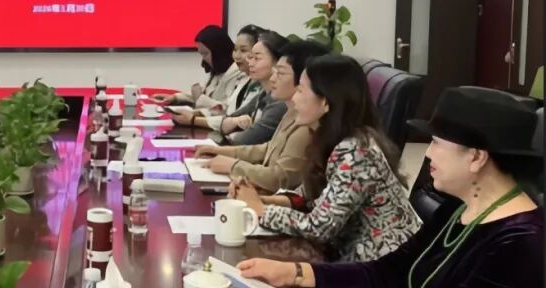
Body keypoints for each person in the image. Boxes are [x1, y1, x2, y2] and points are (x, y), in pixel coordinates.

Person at [239, 87, 543, 288]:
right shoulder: (459, 207)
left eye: (436, 143)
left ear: (476, 157)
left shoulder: (522, 244)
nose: (428, 153)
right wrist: (294, 272)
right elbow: (387, 272)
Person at [231, 54, 420, 261]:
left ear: (326, 101)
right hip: (347, 257)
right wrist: (258, 200)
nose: (294, 98)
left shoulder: (357, 152)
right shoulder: (327, 138)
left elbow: (319, 227)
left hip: (384, 265)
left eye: (301, 90)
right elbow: (306, 197)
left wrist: (260, 210)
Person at [198, 40, 329, 196]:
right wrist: (217, 150)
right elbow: (268, 148)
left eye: (280, 73)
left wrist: (234, 165)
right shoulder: (292, 112)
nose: (273, 78)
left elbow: (281, 178)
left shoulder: (306, 124)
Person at [173, 30, 288, 146]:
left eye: (256, 58)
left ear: (278, 63)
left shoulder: (279, 101)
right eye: (250, 57)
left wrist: (195, 119)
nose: (250, 62)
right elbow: (230, 118)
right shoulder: (263, 95)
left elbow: (244, 139)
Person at [150, 25, 243, 110]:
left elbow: (228, 110)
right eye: (201, 54)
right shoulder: (217, 70)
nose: (204, 59)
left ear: (218, 51)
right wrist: (174, 98)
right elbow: (201, 95)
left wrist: (199, 98)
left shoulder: (238, 74)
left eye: (205, 53)